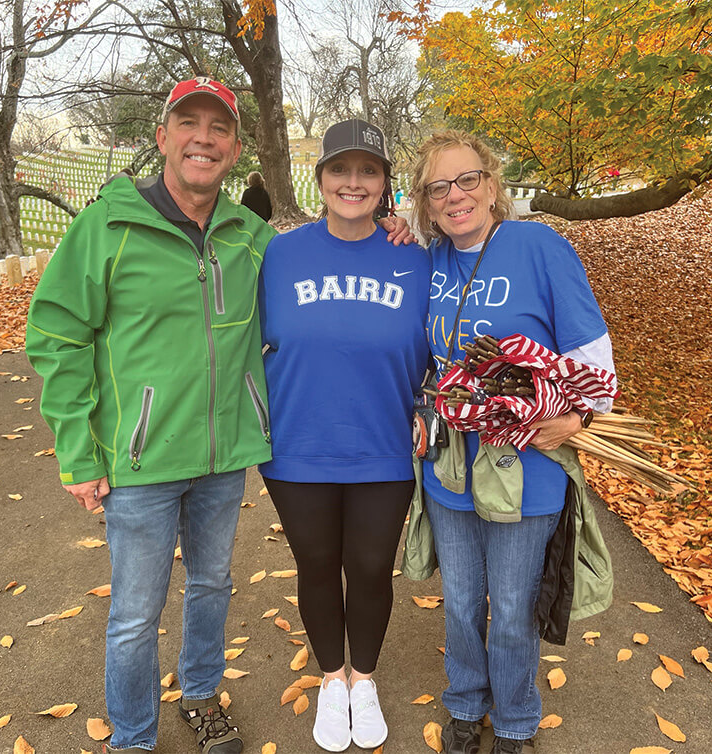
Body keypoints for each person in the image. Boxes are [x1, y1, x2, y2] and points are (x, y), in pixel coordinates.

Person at [25, 78, 413, 754]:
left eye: (218, 129)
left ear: (235, 148)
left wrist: (393, 227)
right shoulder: (108, 226)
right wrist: (76, 452)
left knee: (211, 587)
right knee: (134, 616)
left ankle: (201, 699)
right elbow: (57, 336)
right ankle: (135, 739)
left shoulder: (250, 237)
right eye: (188, 124)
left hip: (224, 455)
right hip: (139, 458)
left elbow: (337, 254)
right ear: (163, 137)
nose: (202, 138)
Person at [410, 130, 615, 754]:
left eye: (467, 179)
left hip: (527, 468)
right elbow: (426, 357)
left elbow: (592, 361)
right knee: (464, 601)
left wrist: (576, 418)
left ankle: (518, 722)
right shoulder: (432, 259)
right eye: (438, 187)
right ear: (425, 201)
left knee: (516, 605)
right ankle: (466, 706)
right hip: (450, 468)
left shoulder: (539, 245)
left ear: (493, 184)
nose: (456, 195)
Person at [258, 119, 431, 752]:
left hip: (382, 441)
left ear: (385, 184)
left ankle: (364, 679)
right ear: (321, 177)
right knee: (318, 565)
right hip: (297, 444)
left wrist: (427, 403)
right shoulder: (280, 253)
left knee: (370, 566)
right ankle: (332, 678)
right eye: (339, 170)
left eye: (368, 171)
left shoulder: (416, 258)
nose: (352, 182)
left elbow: (442, 347)